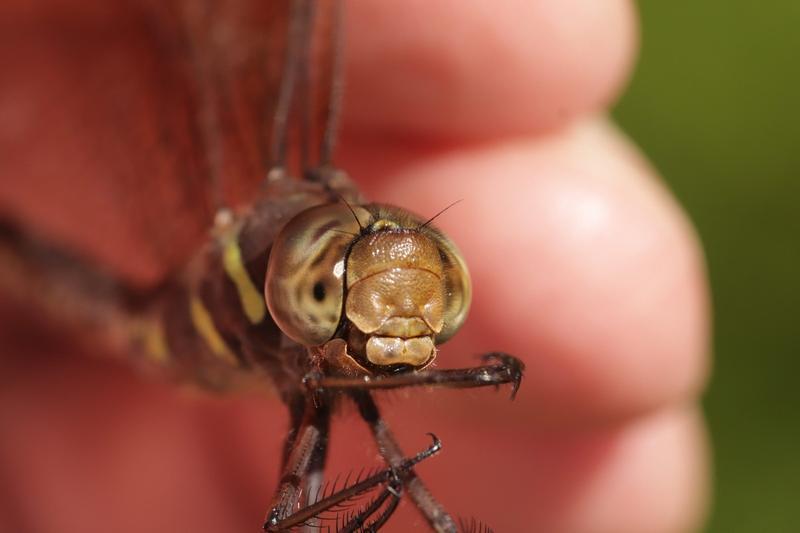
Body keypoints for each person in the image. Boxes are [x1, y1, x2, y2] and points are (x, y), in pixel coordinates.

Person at [0, 1, 709, 531]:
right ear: (296, 290)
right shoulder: (272, 284)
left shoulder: (322, 355)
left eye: (439, 300)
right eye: (325, 294)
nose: (393, 326)